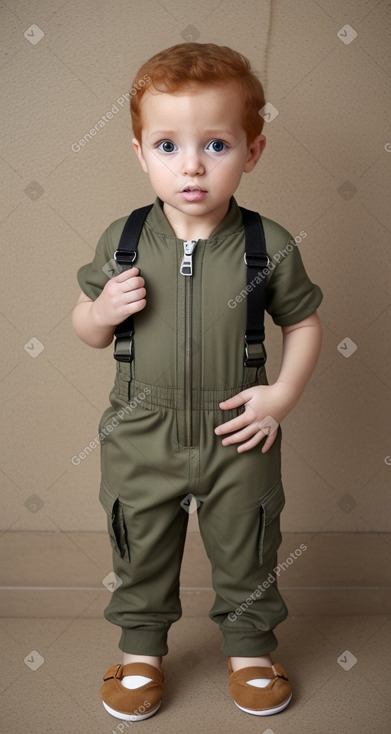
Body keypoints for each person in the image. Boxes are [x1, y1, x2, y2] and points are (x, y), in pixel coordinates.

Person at [72, 42, 323, 722]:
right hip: (139, 429)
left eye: (215, 144)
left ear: (252, 151)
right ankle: (140, 653)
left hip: (236, 426)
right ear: (138, 153)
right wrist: (99, 312)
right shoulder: (122, 240)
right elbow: (87, 329)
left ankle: (248, 651)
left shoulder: (267, 244)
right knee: (140, 542)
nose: (190, 164)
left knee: (246, 541)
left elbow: (303, 324)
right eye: (166, 145)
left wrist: (282, 396)